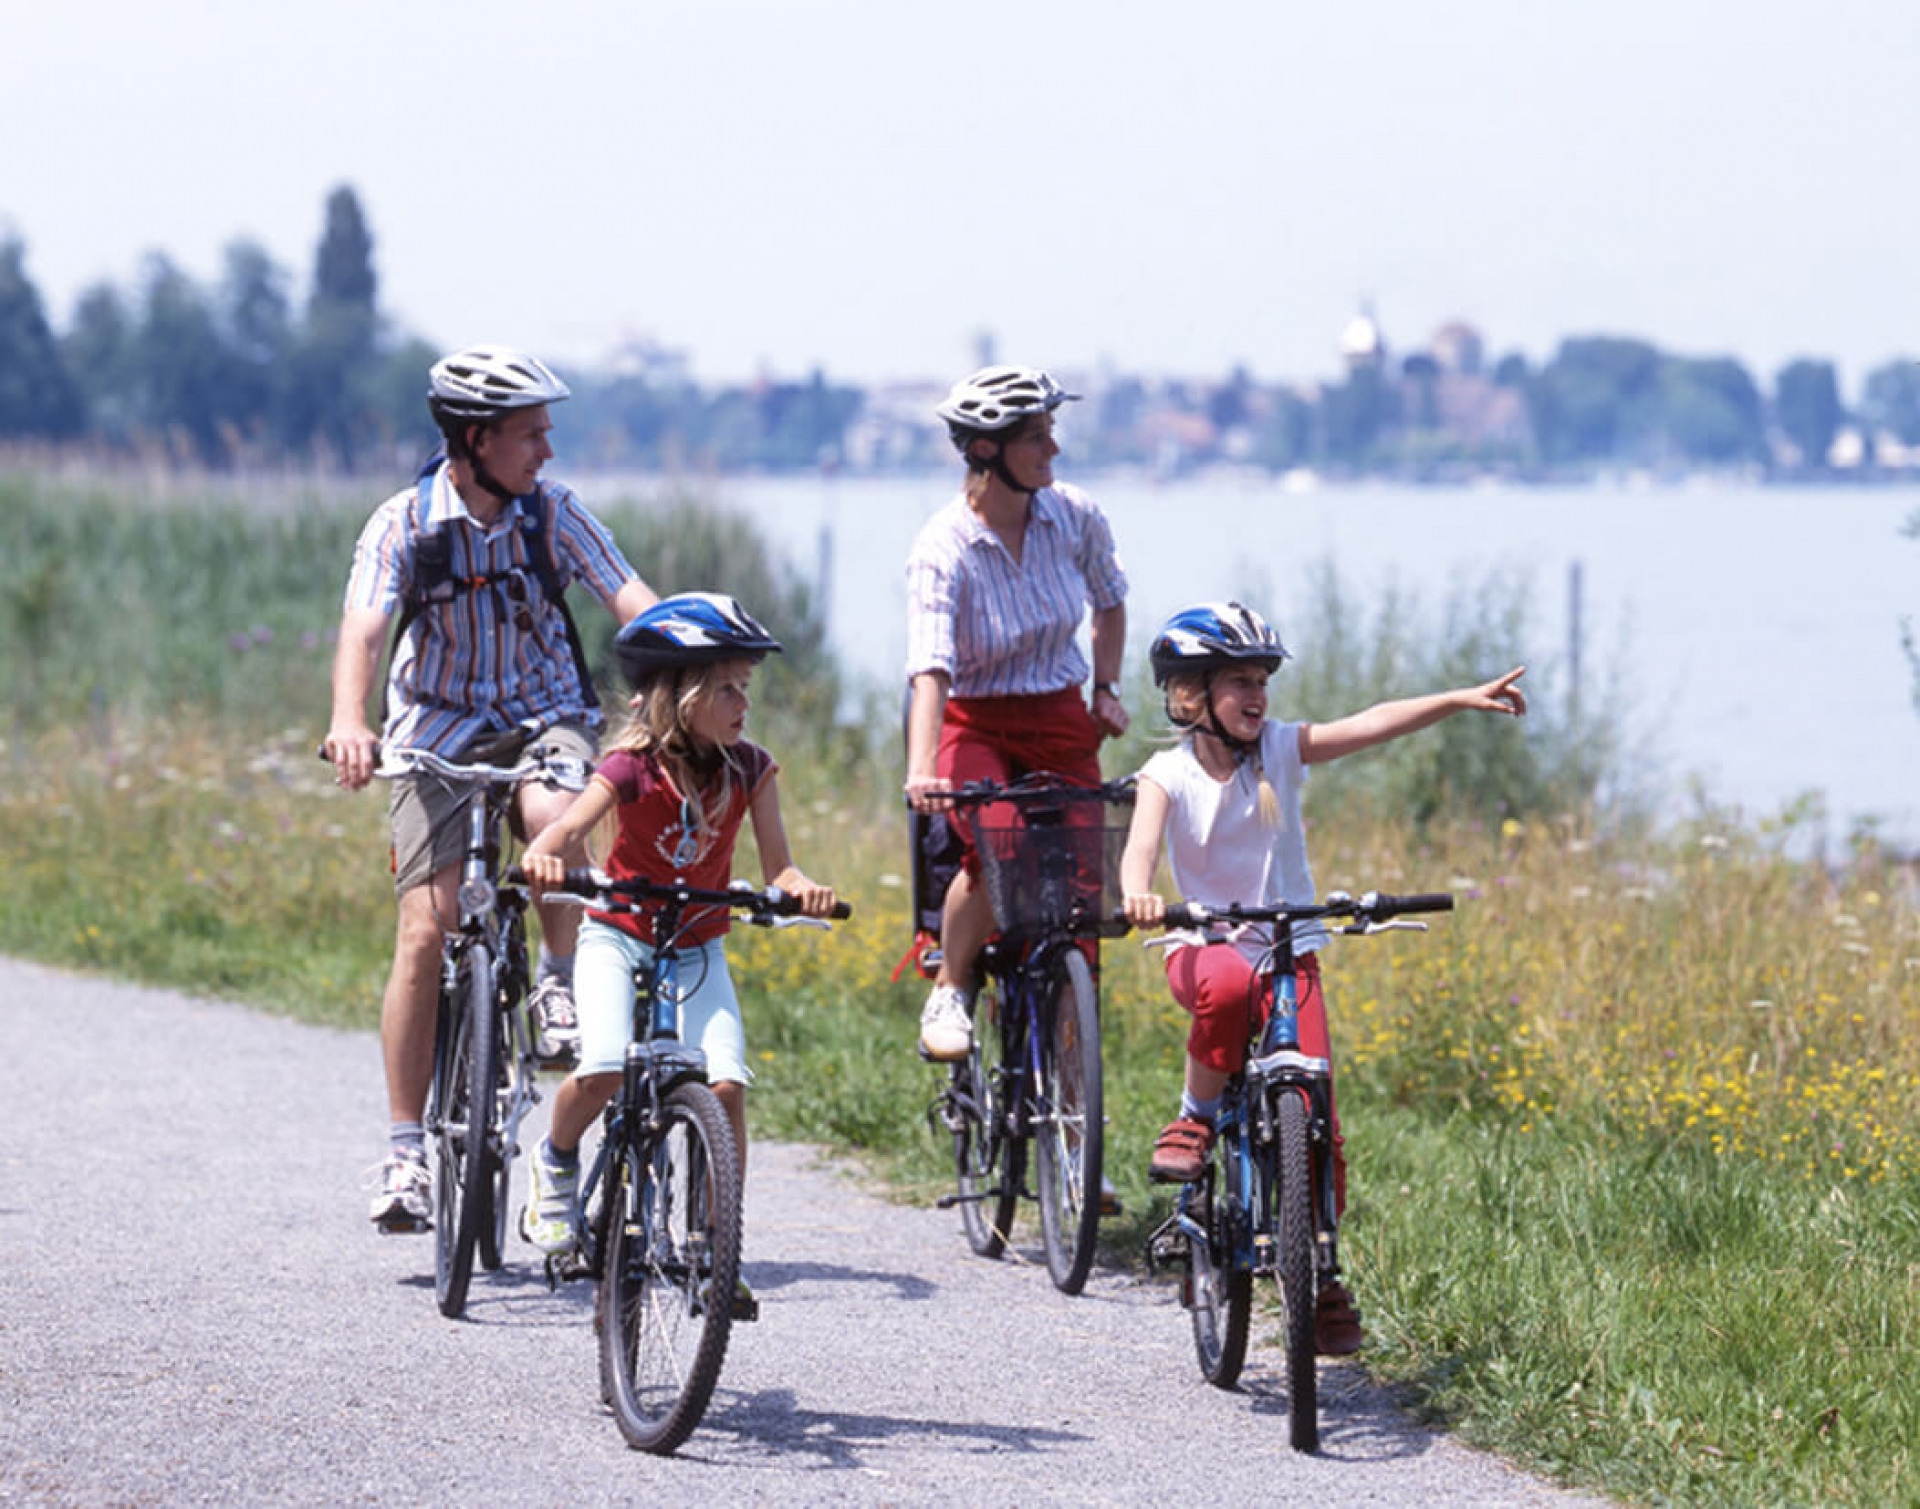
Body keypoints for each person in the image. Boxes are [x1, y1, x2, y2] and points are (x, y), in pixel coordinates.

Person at [1119, 601, 1526, 1354]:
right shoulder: (1166, 773)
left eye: (1263, 681)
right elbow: (1139, 849)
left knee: (1317, 1112)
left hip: (1289, 948)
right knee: (1227, 991)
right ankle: (1195, 1117)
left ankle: (1320, 1269)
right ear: (1191, 693)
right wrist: (1138, 894)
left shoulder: (1279, 749)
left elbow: (1372, 723)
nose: (1258, 695)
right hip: (1204, 944)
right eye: (1240, 682)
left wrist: (1457, 698)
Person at [326, 345, 658, 1233]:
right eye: (530, 434)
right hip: (435, 726)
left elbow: (631, 599)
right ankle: (406, 1152)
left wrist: (679, 668)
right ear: (475, 439)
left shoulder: (553, 513)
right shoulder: (403, 523)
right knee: (425, 928)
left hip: (545, 712)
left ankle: (556, 978)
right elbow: (365, 628)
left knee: (554, 815)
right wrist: (351, 719)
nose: (547, 449)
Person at [516, 592, 838, 1316]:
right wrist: (543, 856)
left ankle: (717, 1250)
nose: (743, 704)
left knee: (725, 1088)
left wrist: (802, 889)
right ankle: (556, 1160)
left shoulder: (750, 770)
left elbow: (780, 867)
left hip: (697, 945)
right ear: (683, 695)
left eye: (745, 689)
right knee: (603, 1065)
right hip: (616, 935)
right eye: (727, 689)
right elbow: (569, 828)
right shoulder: (631, 766)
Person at [903, 365, 1130, 1065]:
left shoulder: (1075, 514)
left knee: (1087, 887)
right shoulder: (943, 546)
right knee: (1000, 845)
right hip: (975, 722)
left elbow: (1110, 600)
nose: (1053, 449)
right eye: (1035, 437)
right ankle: (951, 985)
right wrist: (922, 768)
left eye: (1051, 431)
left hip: (1059, 718)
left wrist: (1106, 688)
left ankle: (1071, 1096)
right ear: (985, 449)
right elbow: (931, 669)